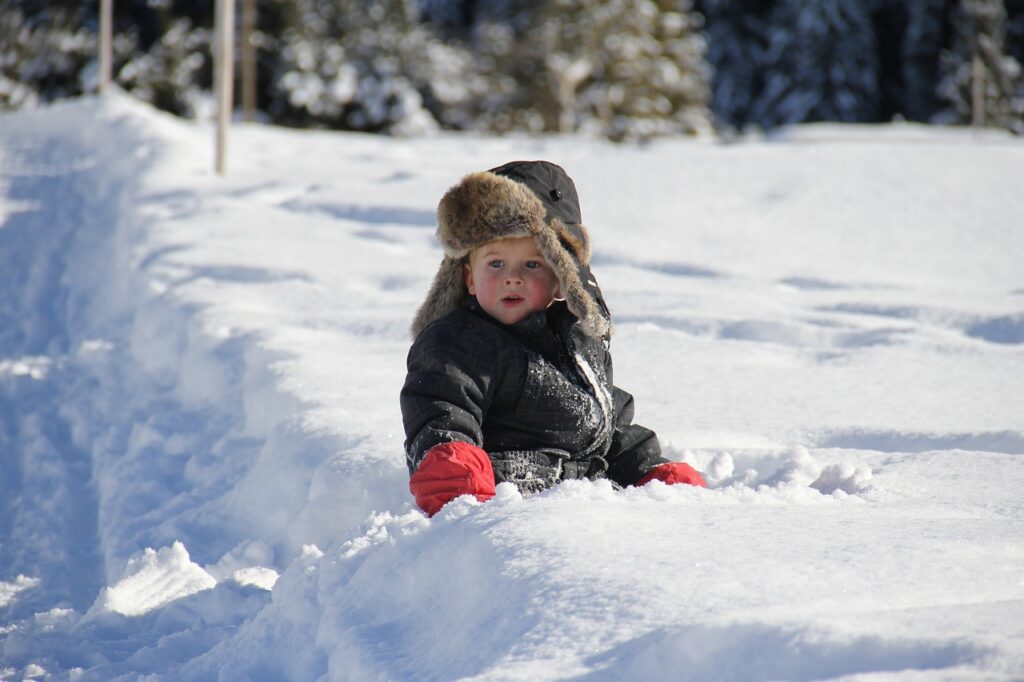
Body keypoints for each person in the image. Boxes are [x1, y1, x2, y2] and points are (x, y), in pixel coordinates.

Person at [400, 160, 706, 516]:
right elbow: (441, 408)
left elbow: (608, 431)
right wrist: (453, 468)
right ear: (468, 278)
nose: (512, 278)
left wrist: (649, 474)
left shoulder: (579, 342)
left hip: (585, 506)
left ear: (562, 276)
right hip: (507, 506)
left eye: (532, 265)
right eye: (496, 264)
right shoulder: (459, 342)